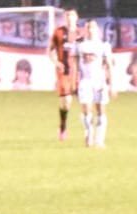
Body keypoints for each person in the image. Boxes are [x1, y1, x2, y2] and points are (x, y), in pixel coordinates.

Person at [77, 20, 115, 148]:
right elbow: (74, 64)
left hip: (100, 82)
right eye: (88, 27)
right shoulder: (80, 45)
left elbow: (109, 65)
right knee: (86, 110)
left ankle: (99, 140)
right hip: (85, 81)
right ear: (85, 30)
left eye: (92, 27)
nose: (90, 30)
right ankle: (88, 135)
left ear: (97, 29)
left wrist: (112, 85)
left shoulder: (104, 45)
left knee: (101, 111)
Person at [49, 7, 80, 141]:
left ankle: (89, 132)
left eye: (72, 15)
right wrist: (56, 62)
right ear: (64, 18)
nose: (70, 18)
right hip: (64, 72)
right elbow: (50, 50)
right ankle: (63, 126)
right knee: (66, 101)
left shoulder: (81, 33)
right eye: (67, 16)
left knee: (85, 100)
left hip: (79, 71)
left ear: (76, 17)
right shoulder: (58, 32)